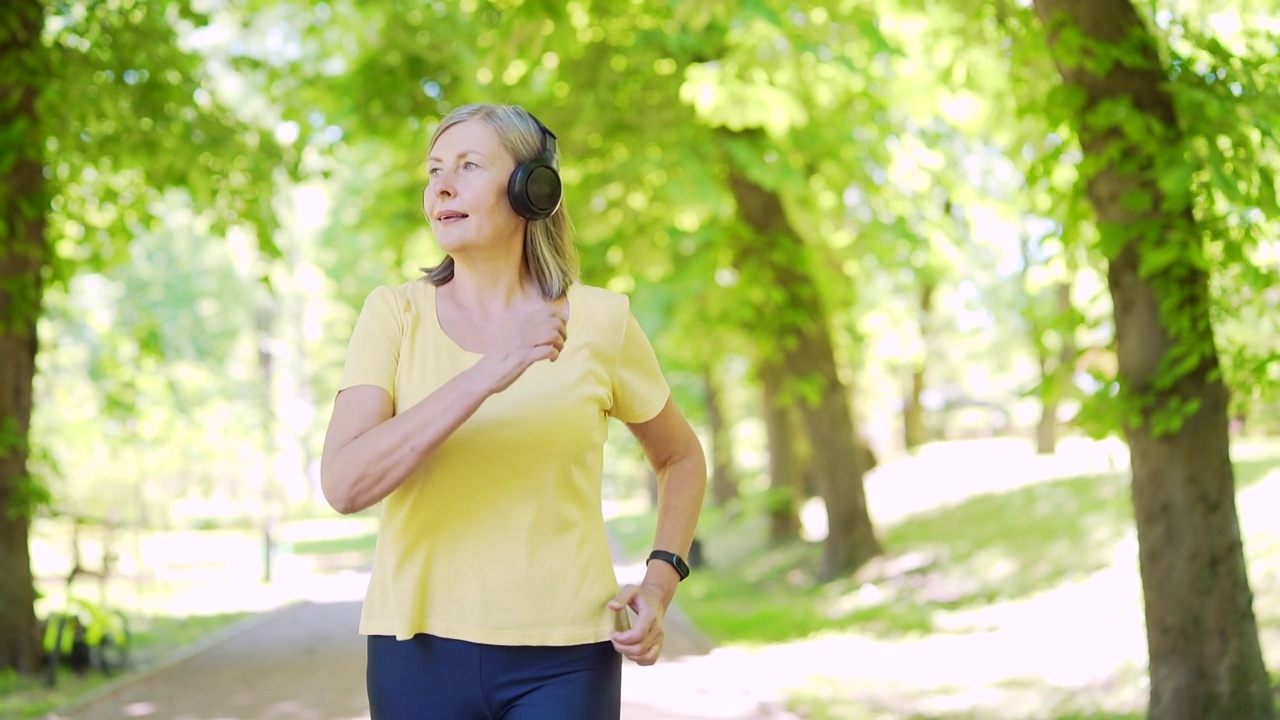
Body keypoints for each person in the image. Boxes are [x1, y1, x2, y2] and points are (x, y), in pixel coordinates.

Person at [319, 102, 707, 719]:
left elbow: (680, 456)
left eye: (468, 166)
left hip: (568, 657)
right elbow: (344, 484)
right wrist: (489, 371)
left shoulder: (602, 320)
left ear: (534, 189)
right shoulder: (393, 314)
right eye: (434, 170)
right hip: (416, 650)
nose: (441, 185)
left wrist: (660, 583)